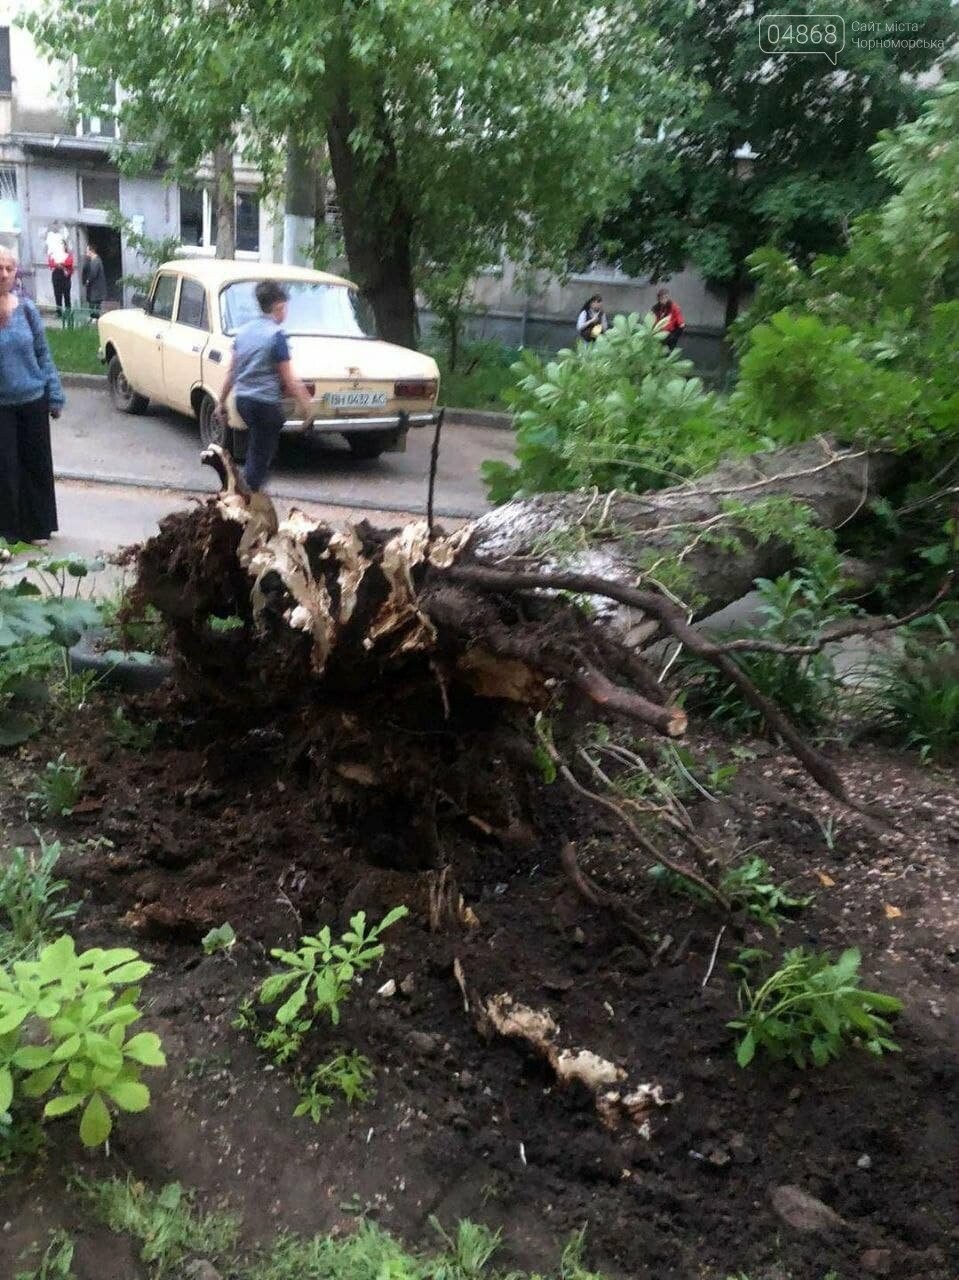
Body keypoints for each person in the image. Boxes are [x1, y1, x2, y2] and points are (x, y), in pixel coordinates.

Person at [215, 280, 313, 493]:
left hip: (244, 401)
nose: (285, 312)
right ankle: (245, 500)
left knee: (258, 449)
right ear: (278, 307)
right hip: (265, 403)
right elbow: (289, 379)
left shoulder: (243, 333)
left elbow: (232, 372)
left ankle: (248, 491)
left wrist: (220, 402)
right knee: (260, 456)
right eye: (285, 307)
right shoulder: (276, 336)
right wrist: (308, 407)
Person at [0, 246, 65, 545]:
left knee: (36, 465)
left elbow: (43, 354)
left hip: (33, 399)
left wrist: (54, 395)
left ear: (15, 272)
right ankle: (8, 532)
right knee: (6, 469)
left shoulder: (27, 309)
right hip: (3, 406)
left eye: (8, 268)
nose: (3, 274)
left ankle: (37, 528)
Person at [46, 221, 73, 315]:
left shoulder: (68, 254)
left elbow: (69, 263)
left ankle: (68, 312)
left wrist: (61, 265)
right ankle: (59, 312)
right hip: (56, 277)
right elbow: (51, 263)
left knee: (67, 296)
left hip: (66, 278)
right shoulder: (53, 254)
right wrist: (61, 265)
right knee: (57, 295)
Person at [650, 287, 685, 351]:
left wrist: (674, 337)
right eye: (662, 298)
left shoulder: (674, 307)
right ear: (659, 298)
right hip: (657, 334)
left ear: (668, 297)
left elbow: (681, 324)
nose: (664, 299)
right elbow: (651, 320)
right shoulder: (655, 308)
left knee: (667, 352)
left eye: (665, 297)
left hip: (670, 334)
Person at [81, 243, 107, 319]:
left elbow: (93, 273)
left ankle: (95, 319)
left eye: (87, 251)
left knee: (94, 305)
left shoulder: (96, 261)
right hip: (94, 289)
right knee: (93, 304)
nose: (86, 253)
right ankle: (95, 319)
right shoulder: (92, 260)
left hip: (96, 289)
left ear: (91, 251)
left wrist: (88, 280)